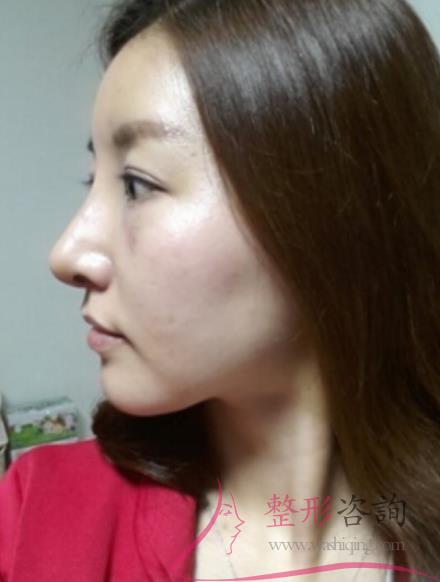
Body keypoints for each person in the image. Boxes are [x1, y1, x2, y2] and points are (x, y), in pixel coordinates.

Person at [1, 0, 439, 580]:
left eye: (137, 184)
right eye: (92, 180)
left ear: (339, 215)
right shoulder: (35, 516)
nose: (67, 254)